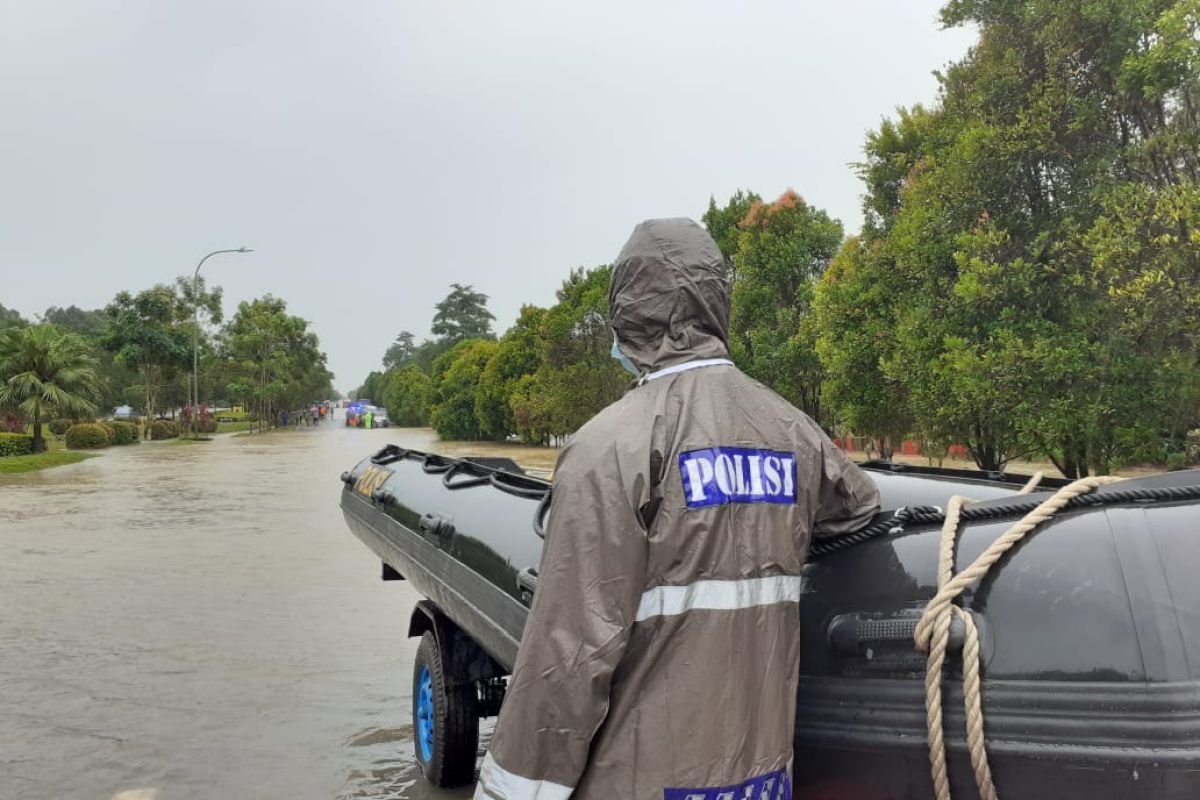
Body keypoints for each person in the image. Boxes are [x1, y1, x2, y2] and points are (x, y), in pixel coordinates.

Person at [475, 218, 880, 800]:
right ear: (716, 302)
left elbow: (566, 657)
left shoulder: (609, 448)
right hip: (762, 782)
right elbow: (856, 506)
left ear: (629, 315)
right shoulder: (793, 431)